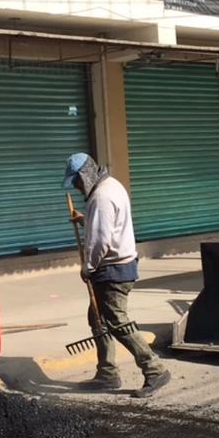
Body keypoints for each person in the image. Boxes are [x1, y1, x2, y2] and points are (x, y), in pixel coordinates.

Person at [63, 153, 170, 398]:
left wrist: (88, 267)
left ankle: (154, 368)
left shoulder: (101, 196)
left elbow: (101, 240)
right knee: (97, 319)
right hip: (117, 265)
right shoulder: (109, 186)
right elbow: (106, 225)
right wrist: (84, 219)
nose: (77, 188)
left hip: (113, 270)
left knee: (116, 321)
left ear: (84, 176)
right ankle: (107, 373)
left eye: (77, 182)